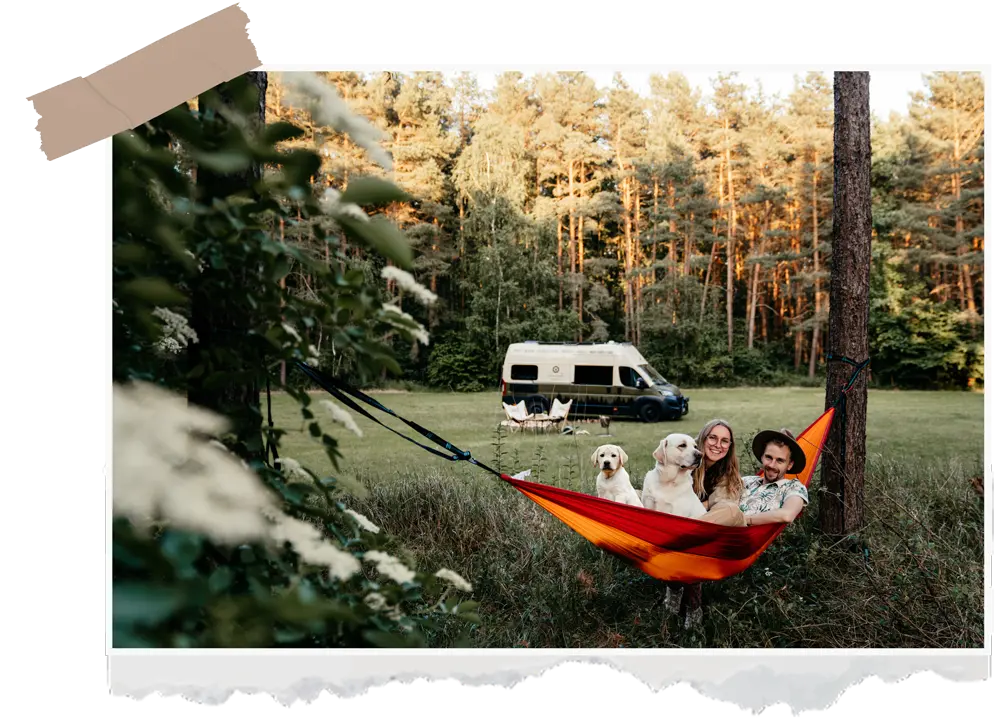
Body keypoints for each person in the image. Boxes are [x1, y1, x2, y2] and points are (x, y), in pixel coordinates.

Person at [740, 428, 809, 526]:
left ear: (789, 465)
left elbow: (787, 515)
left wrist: (743, 519)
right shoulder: (746, 481)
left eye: (780, 460)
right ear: (762, 457)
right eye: (768, 457)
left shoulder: (793, 488)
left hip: (753, 538)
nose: (772, 465)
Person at [692, 419, 746, 527]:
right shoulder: (685, 463)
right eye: (712, 438)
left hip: (713, 530)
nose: (718, 445)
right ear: (703, 438)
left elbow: (722, 509)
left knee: (731, 510)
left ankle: (682, 532)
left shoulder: (729, 474)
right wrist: (707, 503)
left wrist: (708, 503)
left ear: (730, 446)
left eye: (724, 441)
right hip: (682, 519)